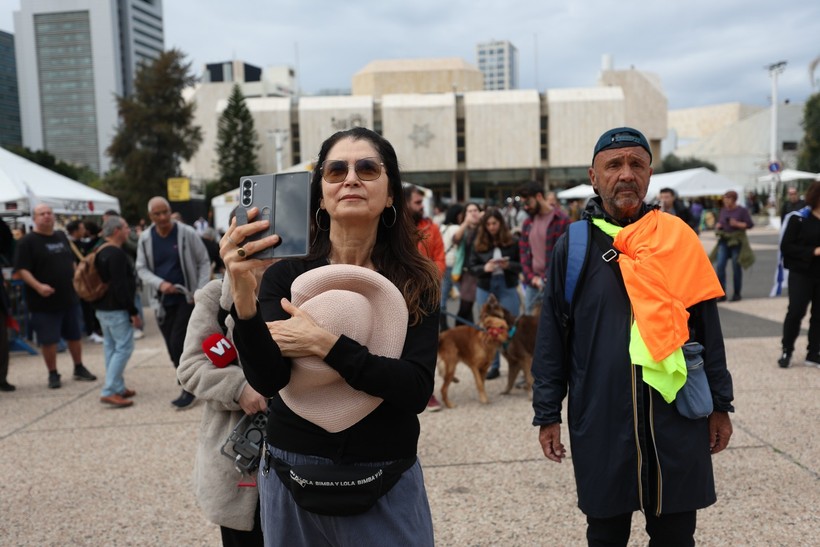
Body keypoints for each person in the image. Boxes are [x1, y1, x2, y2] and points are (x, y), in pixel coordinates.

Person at [221, 126, 440, 546]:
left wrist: (324, 344)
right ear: (320, 195)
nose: (351, 178)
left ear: (390, 193)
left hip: (385, 472)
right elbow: (269, 379)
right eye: (336, 170)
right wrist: (244, 298)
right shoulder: (285, 275)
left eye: (368, 169)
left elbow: (414, 389)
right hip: (292, 471)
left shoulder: (416, 280)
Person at [532, 127, 734, 546]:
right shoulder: (574, 246)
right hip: (602, 418)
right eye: (614, 165)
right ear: (594, 177)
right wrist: (547, 412)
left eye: (636, 164)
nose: (626, 174)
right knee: (605, 534)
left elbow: (707, 329)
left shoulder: (677, 238)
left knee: (676, 535)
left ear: (649, 174)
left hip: (675, 416)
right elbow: (552, 336)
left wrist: (720, 405)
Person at [177, 264, 267, 545]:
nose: (267, 253)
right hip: (239, 461)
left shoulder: (308, 289)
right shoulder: (216, 297)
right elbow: (191, 367)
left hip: (301, 460)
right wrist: (239, 388)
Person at [136, 197, 210, 409]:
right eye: (157, 214)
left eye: (165, 212)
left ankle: (189, 386)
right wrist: (160, 284)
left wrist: (199, 291)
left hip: (187, 297)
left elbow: (203, 261)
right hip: (161, 300)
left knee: (180, 342)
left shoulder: (186, 232)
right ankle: (185, 376)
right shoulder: (146, 238)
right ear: (150, 216)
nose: (162, 217)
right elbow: (141, 268)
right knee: (170, 345)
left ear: (170, 211)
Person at [13, 204, 97, 388]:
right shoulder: (27, 242)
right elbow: (22, 270)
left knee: (74, 335)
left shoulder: (61, 236)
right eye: (41, 214)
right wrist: (38, 286)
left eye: (49, 213)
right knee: (49, 340)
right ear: (34, 218)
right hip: (43, 300)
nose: (46, 216)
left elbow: (71, 261)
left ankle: (79, 367)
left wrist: (77, 280)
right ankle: (53, 373)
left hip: (68, 297)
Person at [468, 207, 522, 379]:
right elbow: (471, 267)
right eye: (488, 224)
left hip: (507, 284)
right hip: (486, 285)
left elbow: (522, 264)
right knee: (488, 327)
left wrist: (509, 265)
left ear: (501, 223)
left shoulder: (513, 241)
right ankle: (494, 365)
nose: (491, 227)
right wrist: (485, 268)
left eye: (494, 223)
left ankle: (518, 363)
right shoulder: (478, 242)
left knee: (512, 324)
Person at [405, 184, 445, 412]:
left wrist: (427, 279)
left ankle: (427, 392)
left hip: (427, 293)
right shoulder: (394, 229)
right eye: (418, 202)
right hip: (399, 291)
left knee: (426, 345)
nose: (422, 207)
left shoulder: (432, 228)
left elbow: (440, 259)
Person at [94, 216, 142, 407]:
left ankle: (117, 387)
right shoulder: (116, 254)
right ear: (116, 231)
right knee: (124, 348)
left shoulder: (100, 250)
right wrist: (133, 312)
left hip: (102, 307)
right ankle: (109, 390)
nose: (128, 231)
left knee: (111, 348)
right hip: (116, 309)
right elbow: (120, 286)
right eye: (125, 227)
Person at [778, 181, 820, 369]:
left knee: (818, 315)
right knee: (796, 311)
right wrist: (812, 251)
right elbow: (786, 247)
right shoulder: (799, 218)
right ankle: (787, 350)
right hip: (801, 273)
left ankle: (814, 352)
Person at [516, 183, 570, 315]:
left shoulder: (562, 220)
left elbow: (566, 255)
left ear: (539, 196)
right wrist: (531, 277)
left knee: (555, 323)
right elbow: (523, 253)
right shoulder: (528, 222)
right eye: (523, 204)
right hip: (532, 285)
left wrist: (546, 278)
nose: (526, 207)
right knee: (529, 324)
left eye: (528, 202)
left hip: (555, 284)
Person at [712, 190, 755, 302]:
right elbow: (720, 222)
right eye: (725, 199)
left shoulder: (742, 210)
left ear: (734, 200)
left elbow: (750, 224)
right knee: (720, 266)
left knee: (736, 267)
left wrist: (737, 224)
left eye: (728, 199)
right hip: (724, 240)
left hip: (736, 241)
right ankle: (722, 294)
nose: (726, 201)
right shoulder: (723, 210)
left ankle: (737, 293)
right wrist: (719, 225)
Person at [438, 203, 465, 331]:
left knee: (443, 296)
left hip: (444, 263)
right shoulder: (456, 228)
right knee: (465, 295)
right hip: (454, 265)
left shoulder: (442, 227)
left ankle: (443, 326)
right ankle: (462, 323)